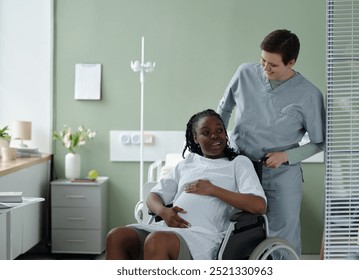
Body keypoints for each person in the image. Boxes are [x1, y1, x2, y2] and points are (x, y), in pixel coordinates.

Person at [217, 29, 326, 256]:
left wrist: (286, 156)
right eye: (263, 60)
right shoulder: (245, 73)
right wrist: (221, 148)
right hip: (240, 168)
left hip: (280, 176)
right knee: (233, 234)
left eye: (273, 65)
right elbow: (224, 109)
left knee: (281, 238)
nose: (265, 69)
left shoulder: (309, 95)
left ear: (291, 62)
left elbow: (319, 142)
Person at [105, 109, 267, 260]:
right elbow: (152, 197)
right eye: (206, 132)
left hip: (203, 236)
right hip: (168, 228)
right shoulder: (189, 162)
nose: (214, 136)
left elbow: (259, 205)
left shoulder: (238, 163)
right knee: (117, 236)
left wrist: (212, 189)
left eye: (219, 130)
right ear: (195, 138)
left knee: (156, 241)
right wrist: (164, 212)